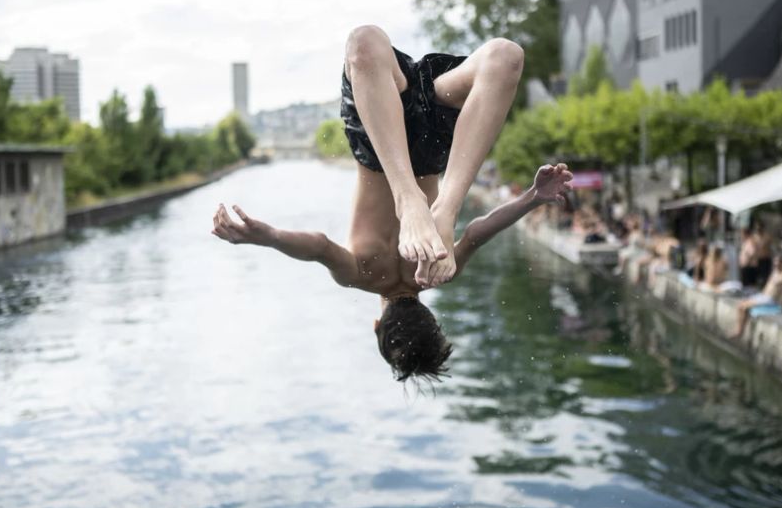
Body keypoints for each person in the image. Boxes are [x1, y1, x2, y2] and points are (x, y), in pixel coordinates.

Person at [211, 25, 574, 382]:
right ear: (375, 326)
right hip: (378, 148)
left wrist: (533, 198)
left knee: (506, 57)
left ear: (431, 318)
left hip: (422, 144)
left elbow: (478, 232)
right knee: (363, 43)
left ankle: (437, 203)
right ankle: (423, 203)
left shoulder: (439, 273)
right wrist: (268, 236)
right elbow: (319, 246)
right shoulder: (360, 275)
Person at [730, 255, 782, 339]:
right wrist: (758, 295)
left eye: (779, 262)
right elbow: (767, 286)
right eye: (775, 262)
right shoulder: (774, 273)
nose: (776, 264)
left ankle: (740, 331)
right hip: (764, 296)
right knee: (740, 305)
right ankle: (738, 328)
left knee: (744, 307)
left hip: (770, 299)